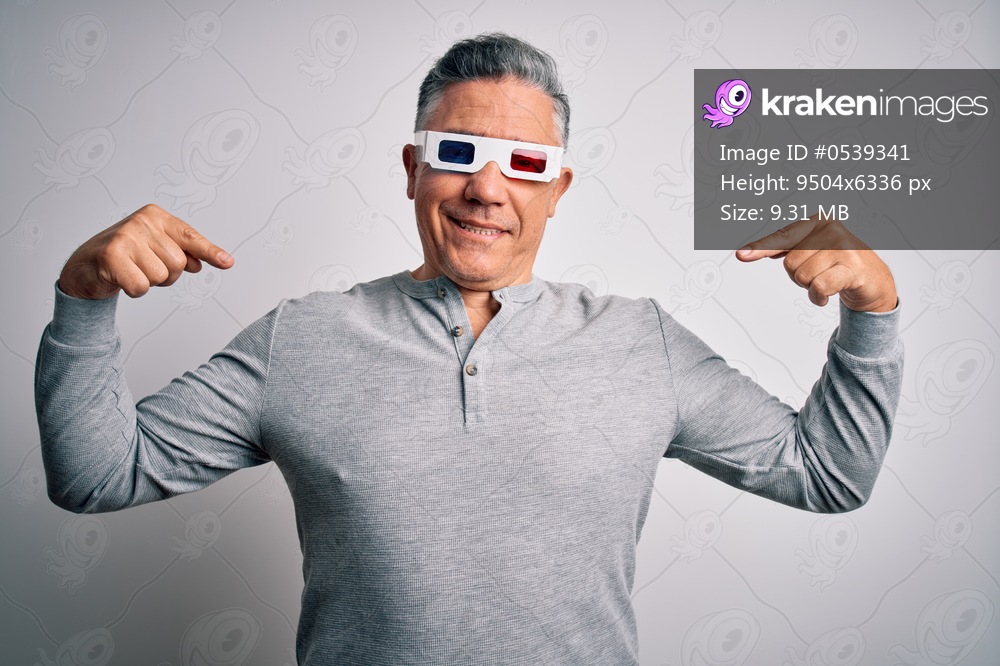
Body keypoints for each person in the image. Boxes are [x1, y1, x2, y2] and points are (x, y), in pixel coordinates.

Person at [36, 33, 901, 664]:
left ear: (556, 189)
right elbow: (98, 474)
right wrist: (84, 298)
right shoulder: (301, 338)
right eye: (459, 155)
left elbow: (827, 474)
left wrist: (874, 311)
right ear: (412, 169)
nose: (486, 189)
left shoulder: (641, 342)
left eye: (522, 163)